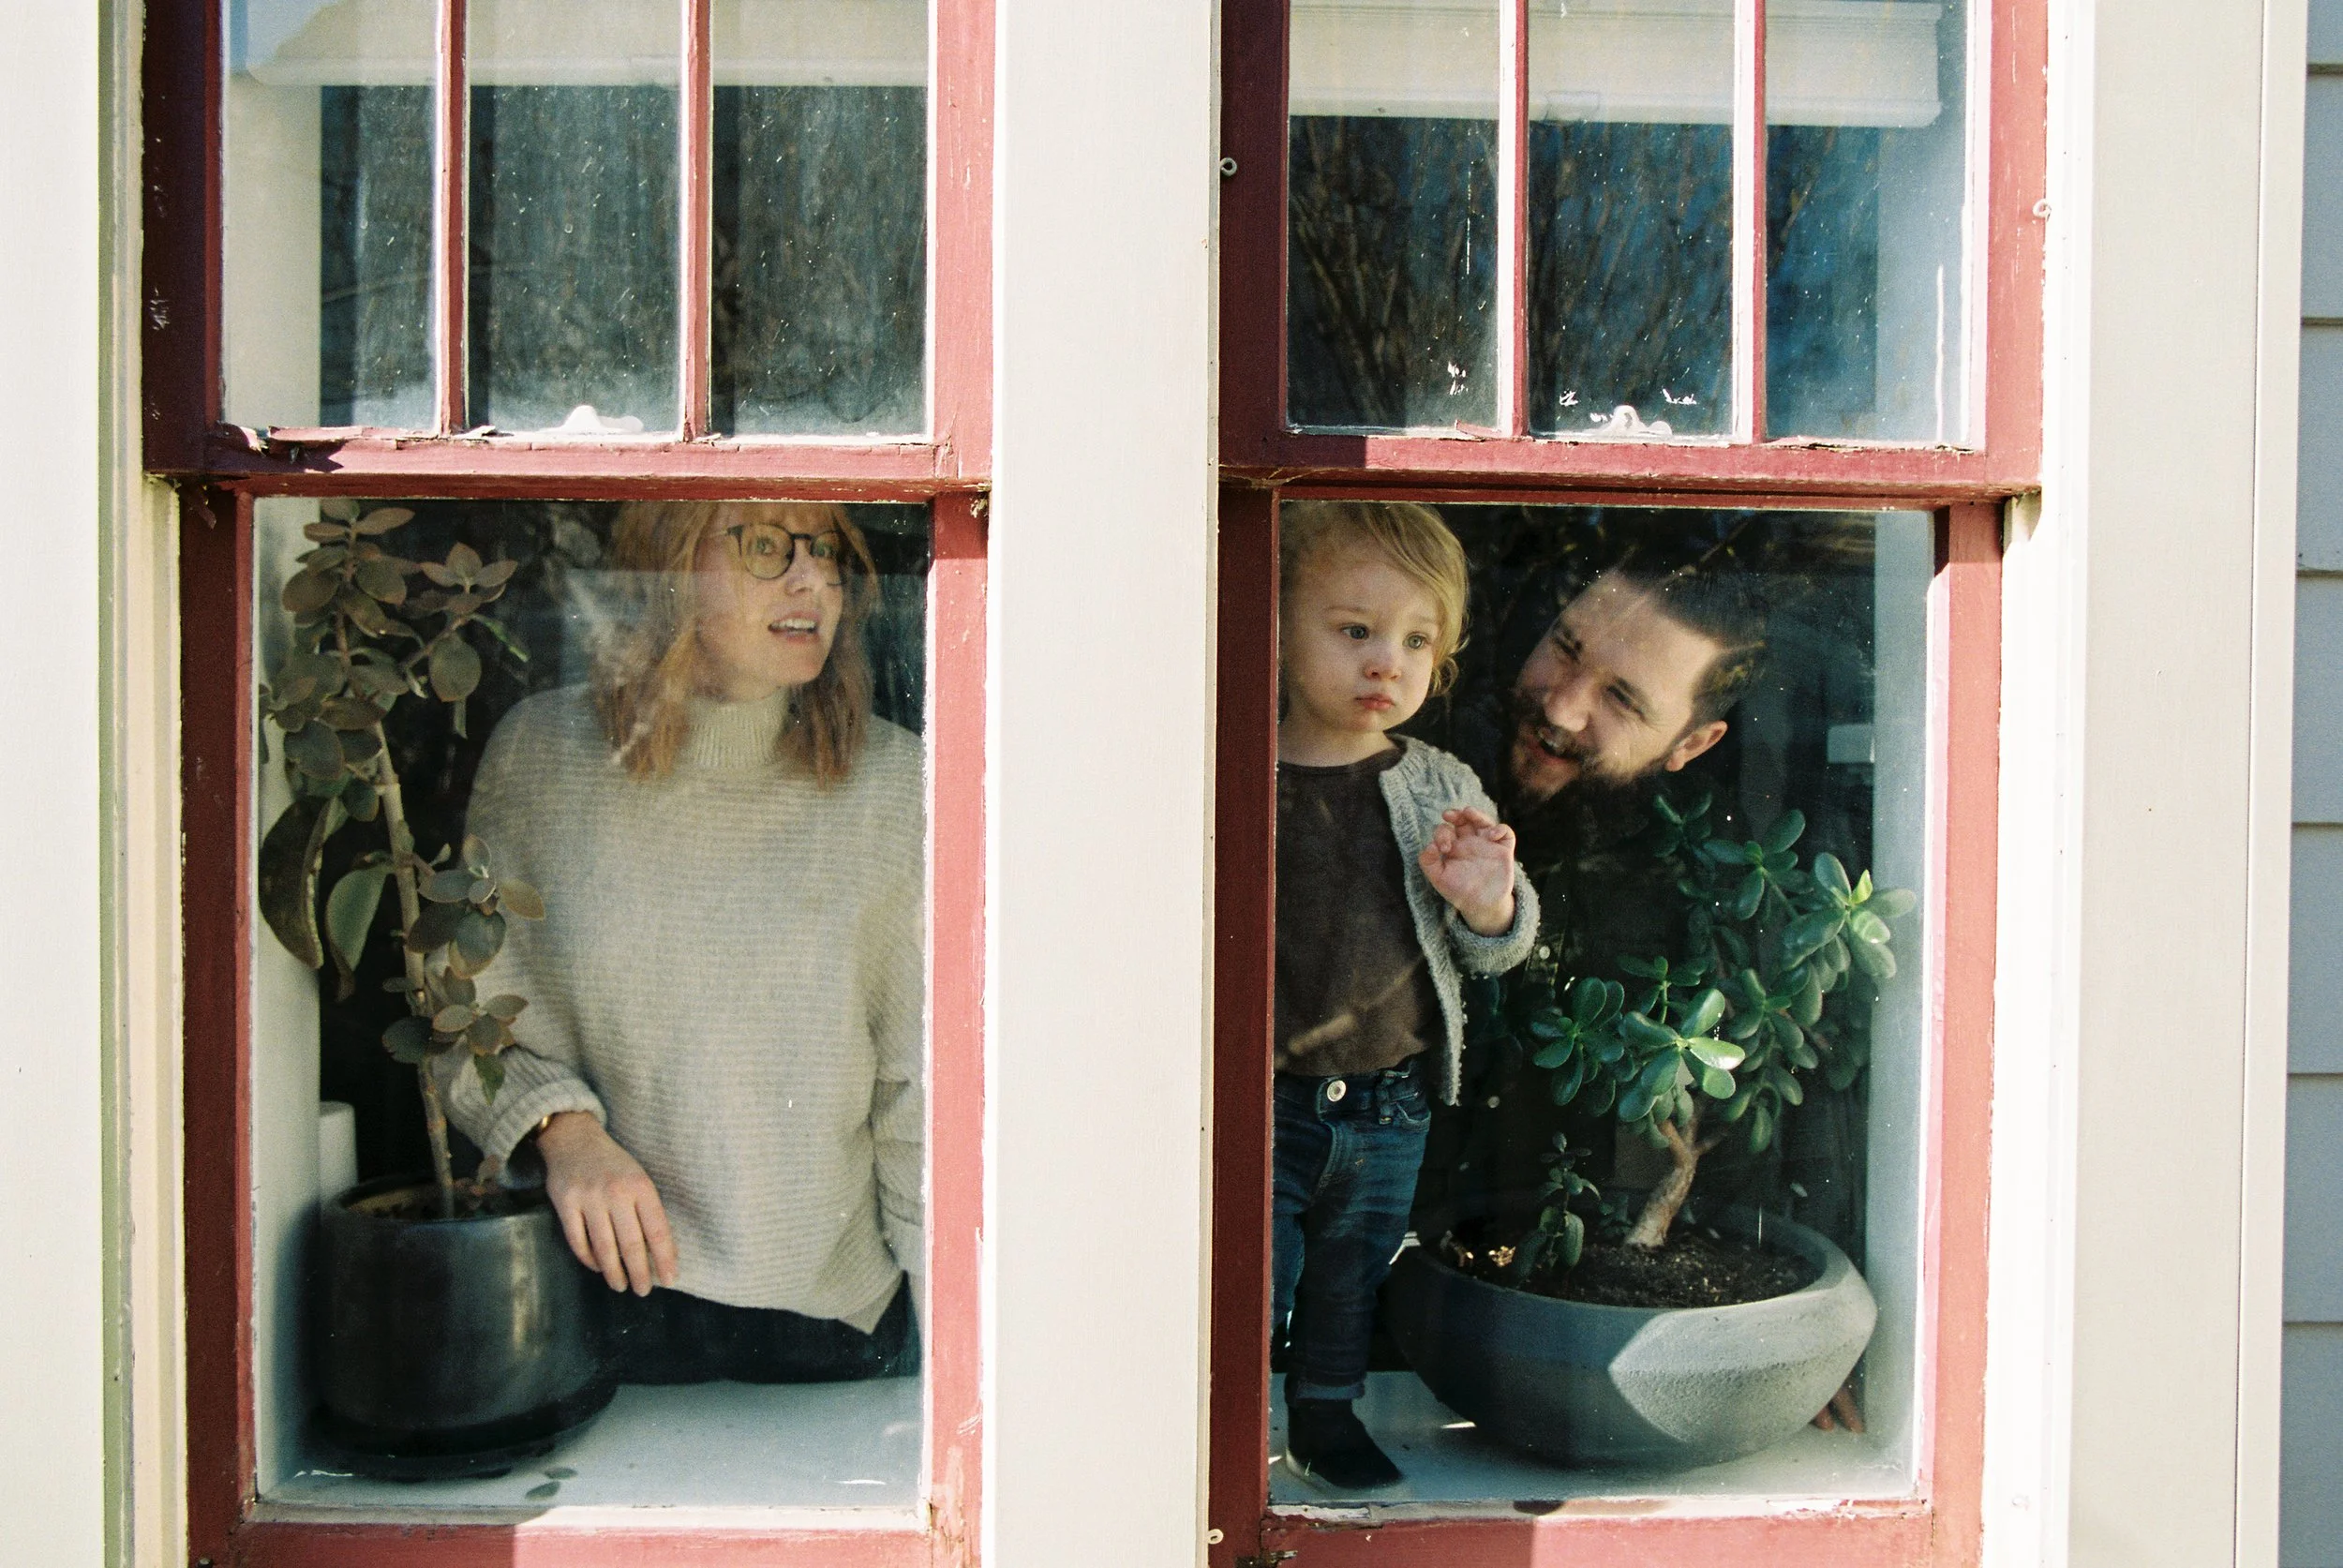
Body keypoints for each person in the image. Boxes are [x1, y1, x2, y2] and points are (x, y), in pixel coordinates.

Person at [440, 500, 925, 1383]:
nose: (811, 579)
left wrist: (953, 1357)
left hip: (833, 1323)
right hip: (588, 1304)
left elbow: (922, 1092)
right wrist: (563, 1129)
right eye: (766, 545)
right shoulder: (542, 757)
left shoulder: (897, 787)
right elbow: (466, 1007)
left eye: (825, 550)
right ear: (667, 562)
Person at [1270, 500, 1540, 1491]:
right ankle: (1215, 1420)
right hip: (1262, 1100)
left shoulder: (1440, 781)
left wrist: (1486, 901)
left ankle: (1325, 1416)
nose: (1387, 661)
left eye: (1416, 639)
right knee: (1254, 1273)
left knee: (1352, 1273)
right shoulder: (1235, 764)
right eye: (1354, 631)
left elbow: (1498, 951)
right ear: (1277, 626)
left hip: (1390, 1098)